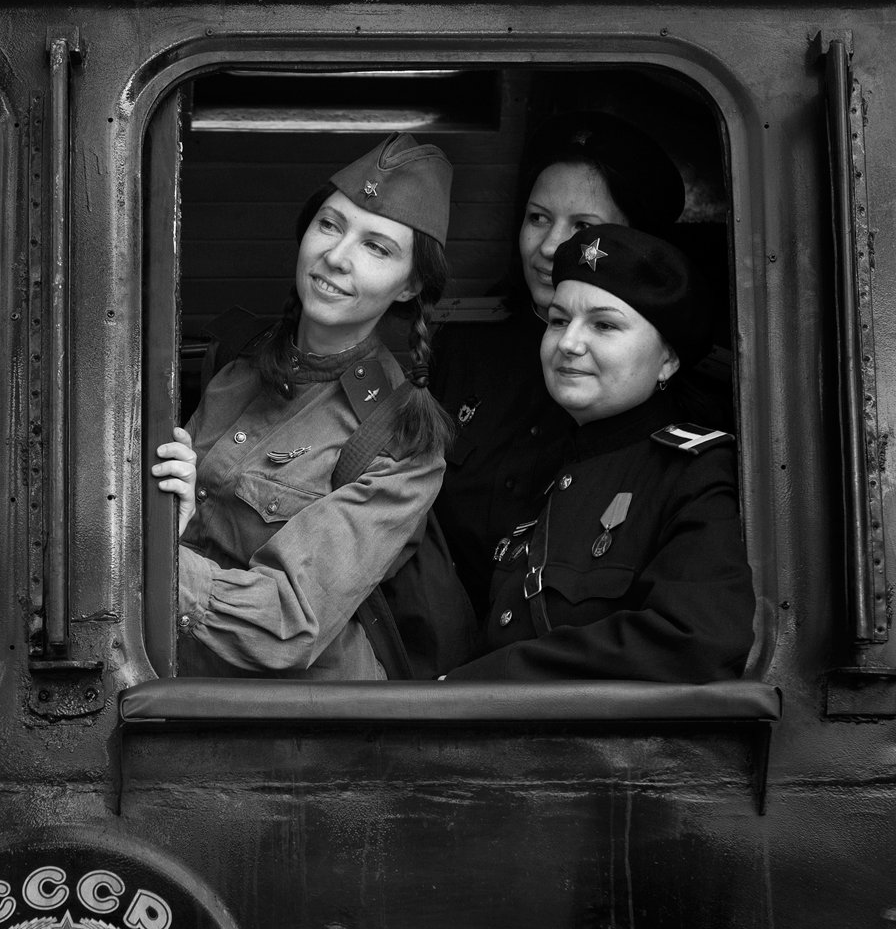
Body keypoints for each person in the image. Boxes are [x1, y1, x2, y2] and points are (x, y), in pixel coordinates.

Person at [151, 133, 455, 679]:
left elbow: (287, 618)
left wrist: (144, 555)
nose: (335, 257)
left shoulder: (400, 439)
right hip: (172, 676)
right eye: (330, 225)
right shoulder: (238, 359)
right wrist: (173, 519)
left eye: (376, 248)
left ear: (410, 286)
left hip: (296, 715)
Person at [445, 223, 754, 682]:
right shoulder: (544, 467)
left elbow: (696, 638)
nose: (568, 343)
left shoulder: (694, 473)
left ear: (668, 359)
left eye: (604, 325)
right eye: (558, 320)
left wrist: (489, 680)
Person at [429, 111, 688, 616]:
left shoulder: (658, 375)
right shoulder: (463, 344)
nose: (549, 246)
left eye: (583, 227)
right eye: (538, 218)